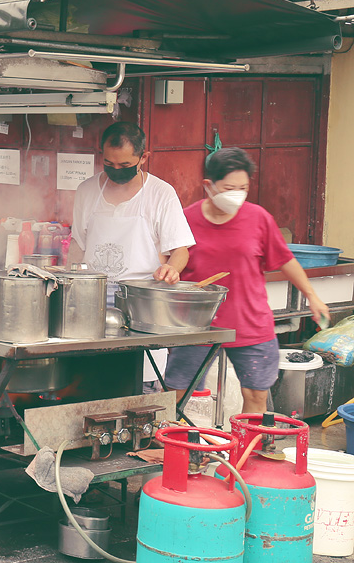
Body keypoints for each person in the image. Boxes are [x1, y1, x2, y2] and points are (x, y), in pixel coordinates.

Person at [164, 148, 329, 413]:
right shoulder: (185, 219)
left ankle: (249, 448)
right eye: (229, 188)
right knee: (177, 395)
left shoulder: (259, 218)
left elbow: (286, 260)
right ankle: (174, 447)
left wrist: (312, 295)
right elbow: (167, 260)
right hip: (196, 325)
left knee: (256, 393)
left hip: (251, 322)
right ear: (208, 185)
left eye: (244, 188)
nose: (237, 195)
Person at [69, 121, 194, 289]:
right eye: (109, 164)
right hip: (92, 291)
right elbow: (78, 245)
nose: (116, 169)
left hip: (141, 294)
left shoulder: (161, 193)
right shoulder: (86, 190)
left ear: (143, 158)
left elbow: (180, 250)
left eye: (124, 165)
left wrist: (171, 269)